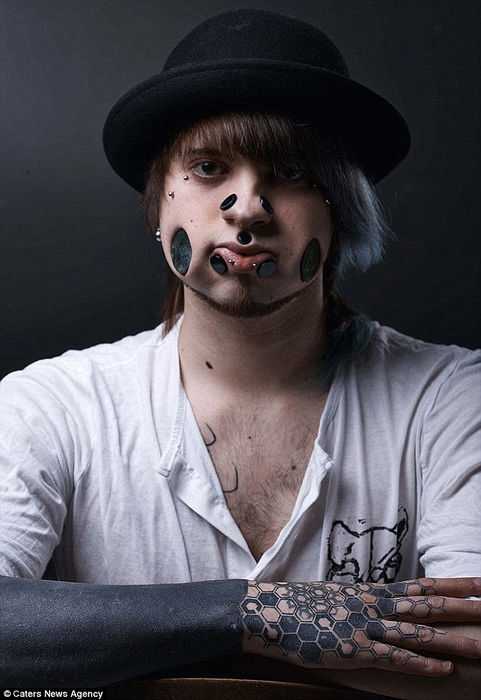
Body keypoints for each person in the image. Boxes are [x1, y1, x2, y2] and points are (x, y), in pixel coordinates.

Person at [1, 8, 480, 697]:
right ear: (159, 205)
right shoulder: (51, 406)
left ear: (339, 212)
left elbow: (470, 655)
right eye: (207, 167)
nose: (247, 206)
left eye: (291, 172)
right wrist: (259, 615)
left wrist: (130, 651)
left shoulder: (452, 400)